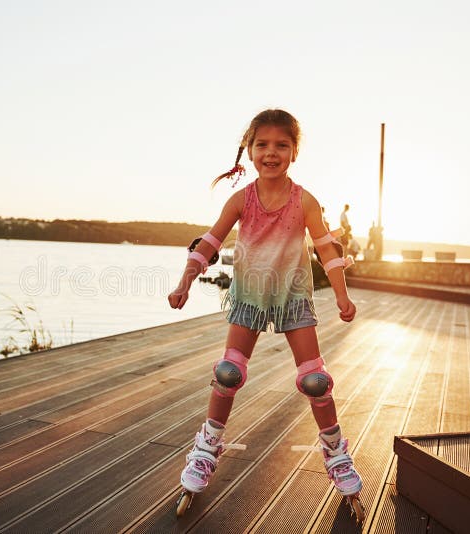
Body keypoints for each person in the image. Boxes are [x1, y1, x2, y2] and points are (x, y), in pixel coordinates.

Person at [168, 109, 363, 516]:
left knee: (315, 380)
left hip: (292, 296)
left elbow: (327, 247)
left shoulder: (304, 200)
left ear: (294, 152)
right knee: (228, 372)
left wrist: (342, 296)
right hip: (250, 296)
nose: (271, 153)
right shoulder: (241, 199)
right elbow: (209, 241)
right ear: (249, 150)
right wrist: (186, 280)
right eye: (262, 145)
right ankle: (206, 448)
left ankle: (336, 454)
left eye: (281, 145)